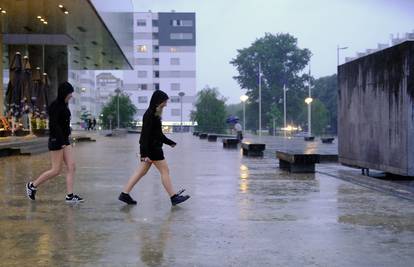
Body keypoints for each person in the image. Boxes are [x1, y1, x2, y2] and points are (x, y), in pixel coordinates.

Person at [119, 90, 190, 206]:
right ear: (159, 101)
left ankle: (124, 194)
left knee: (140, 172)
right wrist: (144, 154)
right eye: (165, 101)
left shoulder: (153, 114)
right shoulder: (150, 115)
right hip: (153, 149)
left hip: (150, 148)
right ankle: (173, 197)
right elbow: (145, 135)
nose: (166, 104)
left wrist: (169, 142)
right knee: (165, 171)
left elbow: (157, 134)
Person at [26, 82, 83, 203]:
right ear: (64, 93)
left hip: (64, 140)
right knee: (56, 170)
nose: (71, 95)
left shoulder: (64, 104)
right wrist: (61, 141)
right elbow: (54, 125)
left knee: (72, 166)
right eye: (70, 93)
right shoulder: (55, 106)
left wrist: (67, 136)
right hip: (57, 140)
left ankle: (70, 196)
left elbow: (63, 123)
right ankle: (32, 185)